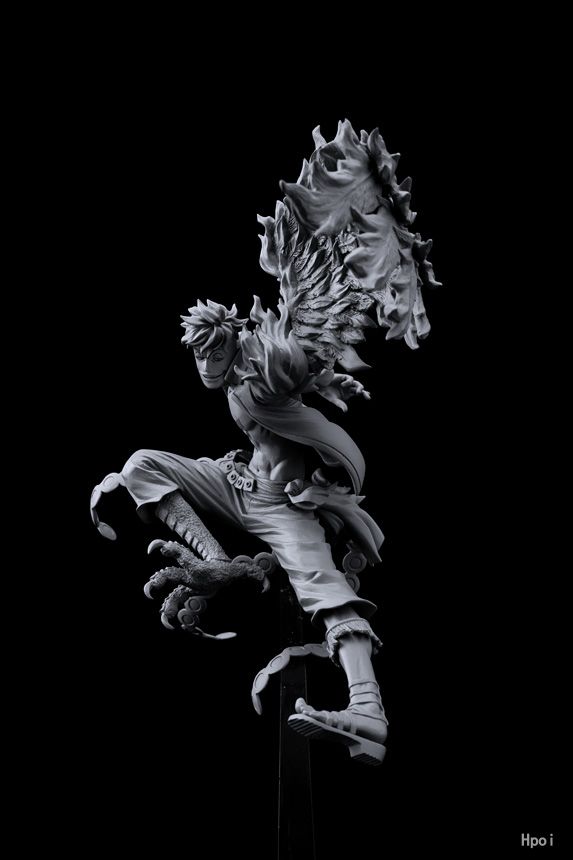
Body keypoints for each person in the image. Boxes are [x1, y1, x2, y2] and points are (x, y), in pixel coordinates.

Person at [109, 298, 388, 765]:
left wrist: (320, 479)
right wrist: (322, 381)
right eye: (198, 355)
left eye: (214, 354)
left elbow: (295, 375)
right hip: (238, 482)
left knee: (325, 589)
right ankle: (214, 559)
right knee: (141, 465)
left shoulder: (264, 367)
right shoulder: (236, 376)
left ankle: (368, 709)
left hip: (281, 505)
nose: (205, 366)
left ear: (234, 343)